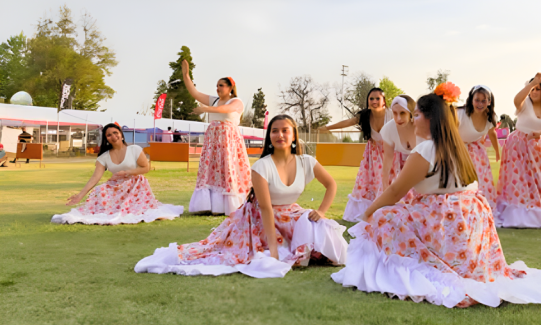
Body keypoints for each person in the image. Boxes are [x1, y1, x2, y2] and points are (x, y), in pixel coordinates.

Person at [332, 84, 541, 308]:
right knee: (402, 213)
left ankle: (417, 268)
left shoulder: (426, 149)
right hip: (470, 218)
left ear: (430, 119)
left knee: (383, 218)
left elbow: (395, 192)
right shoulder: (457, 146)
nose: (412, 119)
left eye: (416, 114)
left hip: (446, 219)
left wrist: (367, 213)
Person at [135, 115, 347, 278]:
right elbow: (265, 208)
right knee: (238, 252)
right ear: (269, 136)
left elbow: (331, 184)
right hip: (258, 218)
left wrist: (321, 211)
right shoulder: (262, 166)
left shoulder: (306, 161)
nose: (280, 135)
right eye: (274, 131)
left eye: (285, 131)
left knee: (320, 224)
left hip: (290, 212)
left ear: (294, 136)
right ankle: (292, 252)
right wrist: (273, 251)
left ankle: (310, 253)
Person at [52, 124, 184, 225]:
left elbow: (145, 168)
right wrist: (80, 195)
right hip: (115, 187)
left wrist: (127, 172)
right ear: (106, 139)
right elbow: (95, 178)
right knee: (99, 191)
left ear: (121, 134)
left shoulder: (134, 149)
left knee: (136, 208)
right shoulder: (103, 157)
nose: (113, 136)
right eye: (109, 135)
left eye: (115, 133)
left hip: (135, 186)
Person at [495, 73, 541, 228]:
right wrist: (532, 83)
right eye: (532, 89)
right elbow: (516, 100)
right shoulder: (524, 103)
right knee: (519, 178)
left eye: (537, 89)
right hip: (517, 145)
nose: (534, 92)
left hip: (537, 146)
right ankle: (519, 209)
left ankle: (540, 208)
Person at [181, 60, 251, 216]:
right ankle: (209, 204)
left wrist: (206, 109)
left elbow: (226, 109)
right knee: (211, 170)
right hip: (213, 140)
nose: (218, 88)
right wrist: (186, 75)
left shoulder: (236, 101)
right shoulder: (214, 100)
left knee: (228, 169)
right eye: (217, 85)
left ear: (230, 88)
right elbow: (194, 92)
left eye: (221, 85)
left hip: (228, 140)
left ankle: (230, 204)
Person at [318, 88, 393, 222]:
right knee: (369, 182)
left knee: (389, 180)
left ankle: (389, 211)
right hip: (373, 155)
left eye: (377, 98)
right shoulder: (365, 116)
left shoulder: (392, 115)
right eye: (371, 99)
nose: (374, 101)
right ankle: (370, 213)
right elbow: (347, 122)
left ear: (384, 102)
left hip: (391, 153)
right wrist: (327, 128)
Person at [457, 85, 500, 211]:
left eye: (483, 100)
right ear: (471, 100)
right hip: (458, 149)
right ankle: (461, 207)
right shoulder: (460, 114)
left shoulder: (490, 118)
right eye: (477, 100)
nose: (480, 103)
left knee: (480, 180)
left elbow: (492, 133)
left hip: (477, 152)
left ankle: (480, 208)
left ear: (489, 101)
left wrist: (497, 151)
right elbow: (450, 131)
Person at [380, 95, 422, 190]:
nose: (398, 118)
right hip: (401, 174)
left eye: (402, 113)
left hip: (424, 172)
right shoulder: (388, 129)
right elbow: (388, 159)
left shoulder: (422, 126)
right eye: (395, 113)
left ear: (410, 112)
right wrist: (385, 185)